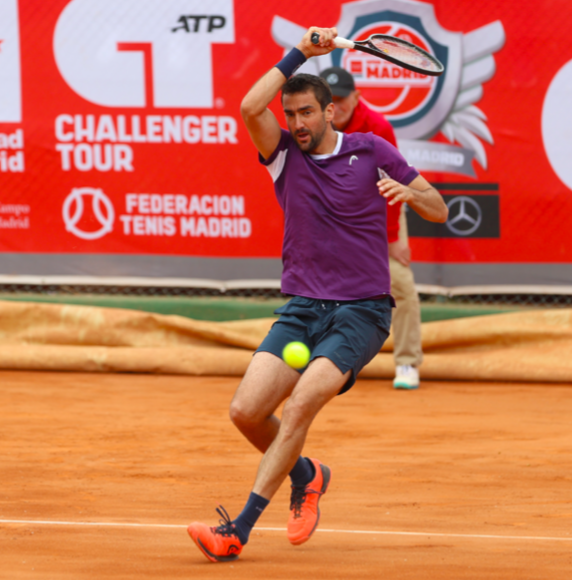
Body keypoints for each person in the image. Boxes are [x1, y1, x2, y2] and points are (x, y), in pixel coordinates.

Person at [187, 27, 447, 563]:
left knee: (302, 402)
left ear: (331, 113)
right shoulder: (284, 156)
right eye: (291, 115)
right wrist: (301, 53)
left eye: (307, 113)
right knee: (246, 412)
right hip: (303, 310)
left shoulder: (372, 150)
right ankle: (309, 476)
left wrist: (411, 192)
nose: (297, 124)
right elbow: (247, 105)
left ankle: (238, 529)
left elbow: (440, 209)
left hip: (363, 313)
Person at [319, 66, 424, 390]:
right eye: (330, 98)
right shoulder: (314, 126)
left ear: (357, 96)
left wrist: (392, 238)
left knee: (401, 285)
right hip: (332, 215)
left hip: (379, 212)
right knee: (323, 286)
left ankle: (407, 362)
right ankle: (326, 361)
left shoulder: (377, 128)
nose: (337, 104)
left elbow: (395, 185)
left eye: (342, 97)